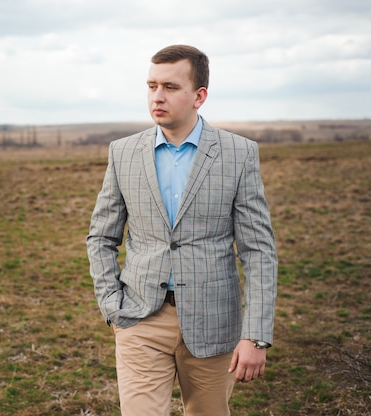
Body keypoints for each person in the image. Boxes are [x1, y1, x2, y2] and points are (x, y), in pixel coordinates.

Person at [86, 44, 277, 416]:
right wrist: (112, 306)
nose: (157, 97)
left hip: (214, 324)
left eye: (170, 87)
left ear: (199, 96)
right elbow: (101, 237)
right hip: (140, 319)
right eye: (152, 86)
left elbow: (258, 251)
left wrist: (256, 336)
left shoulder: (239, 154)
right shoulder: (123, 153)